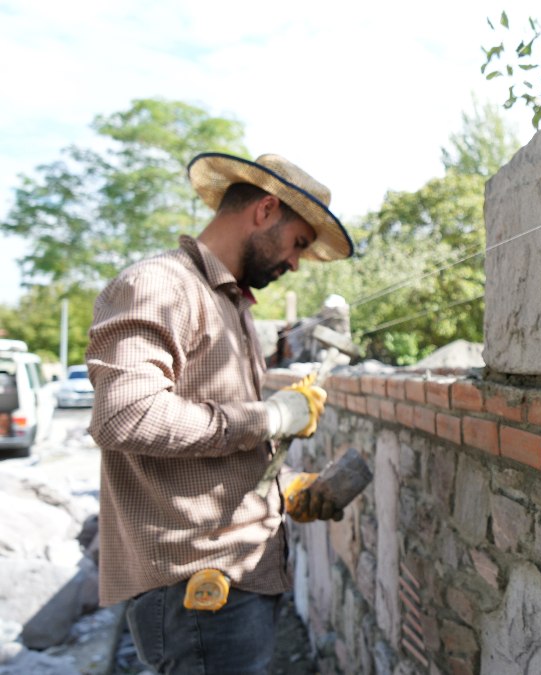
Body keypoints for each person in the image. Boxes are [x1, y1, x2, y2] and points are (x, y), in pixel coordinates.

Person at [86, 153, 354, 674]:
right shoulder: (161, 286)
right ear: (265, 210)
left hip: (232, 582)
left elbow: (211, 452)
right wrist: (270, 418)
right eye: (299, 242)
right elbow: (125, 416)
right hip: (198, 588)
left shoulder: (232, 306)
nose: (296, 262)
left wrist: (286, 486)